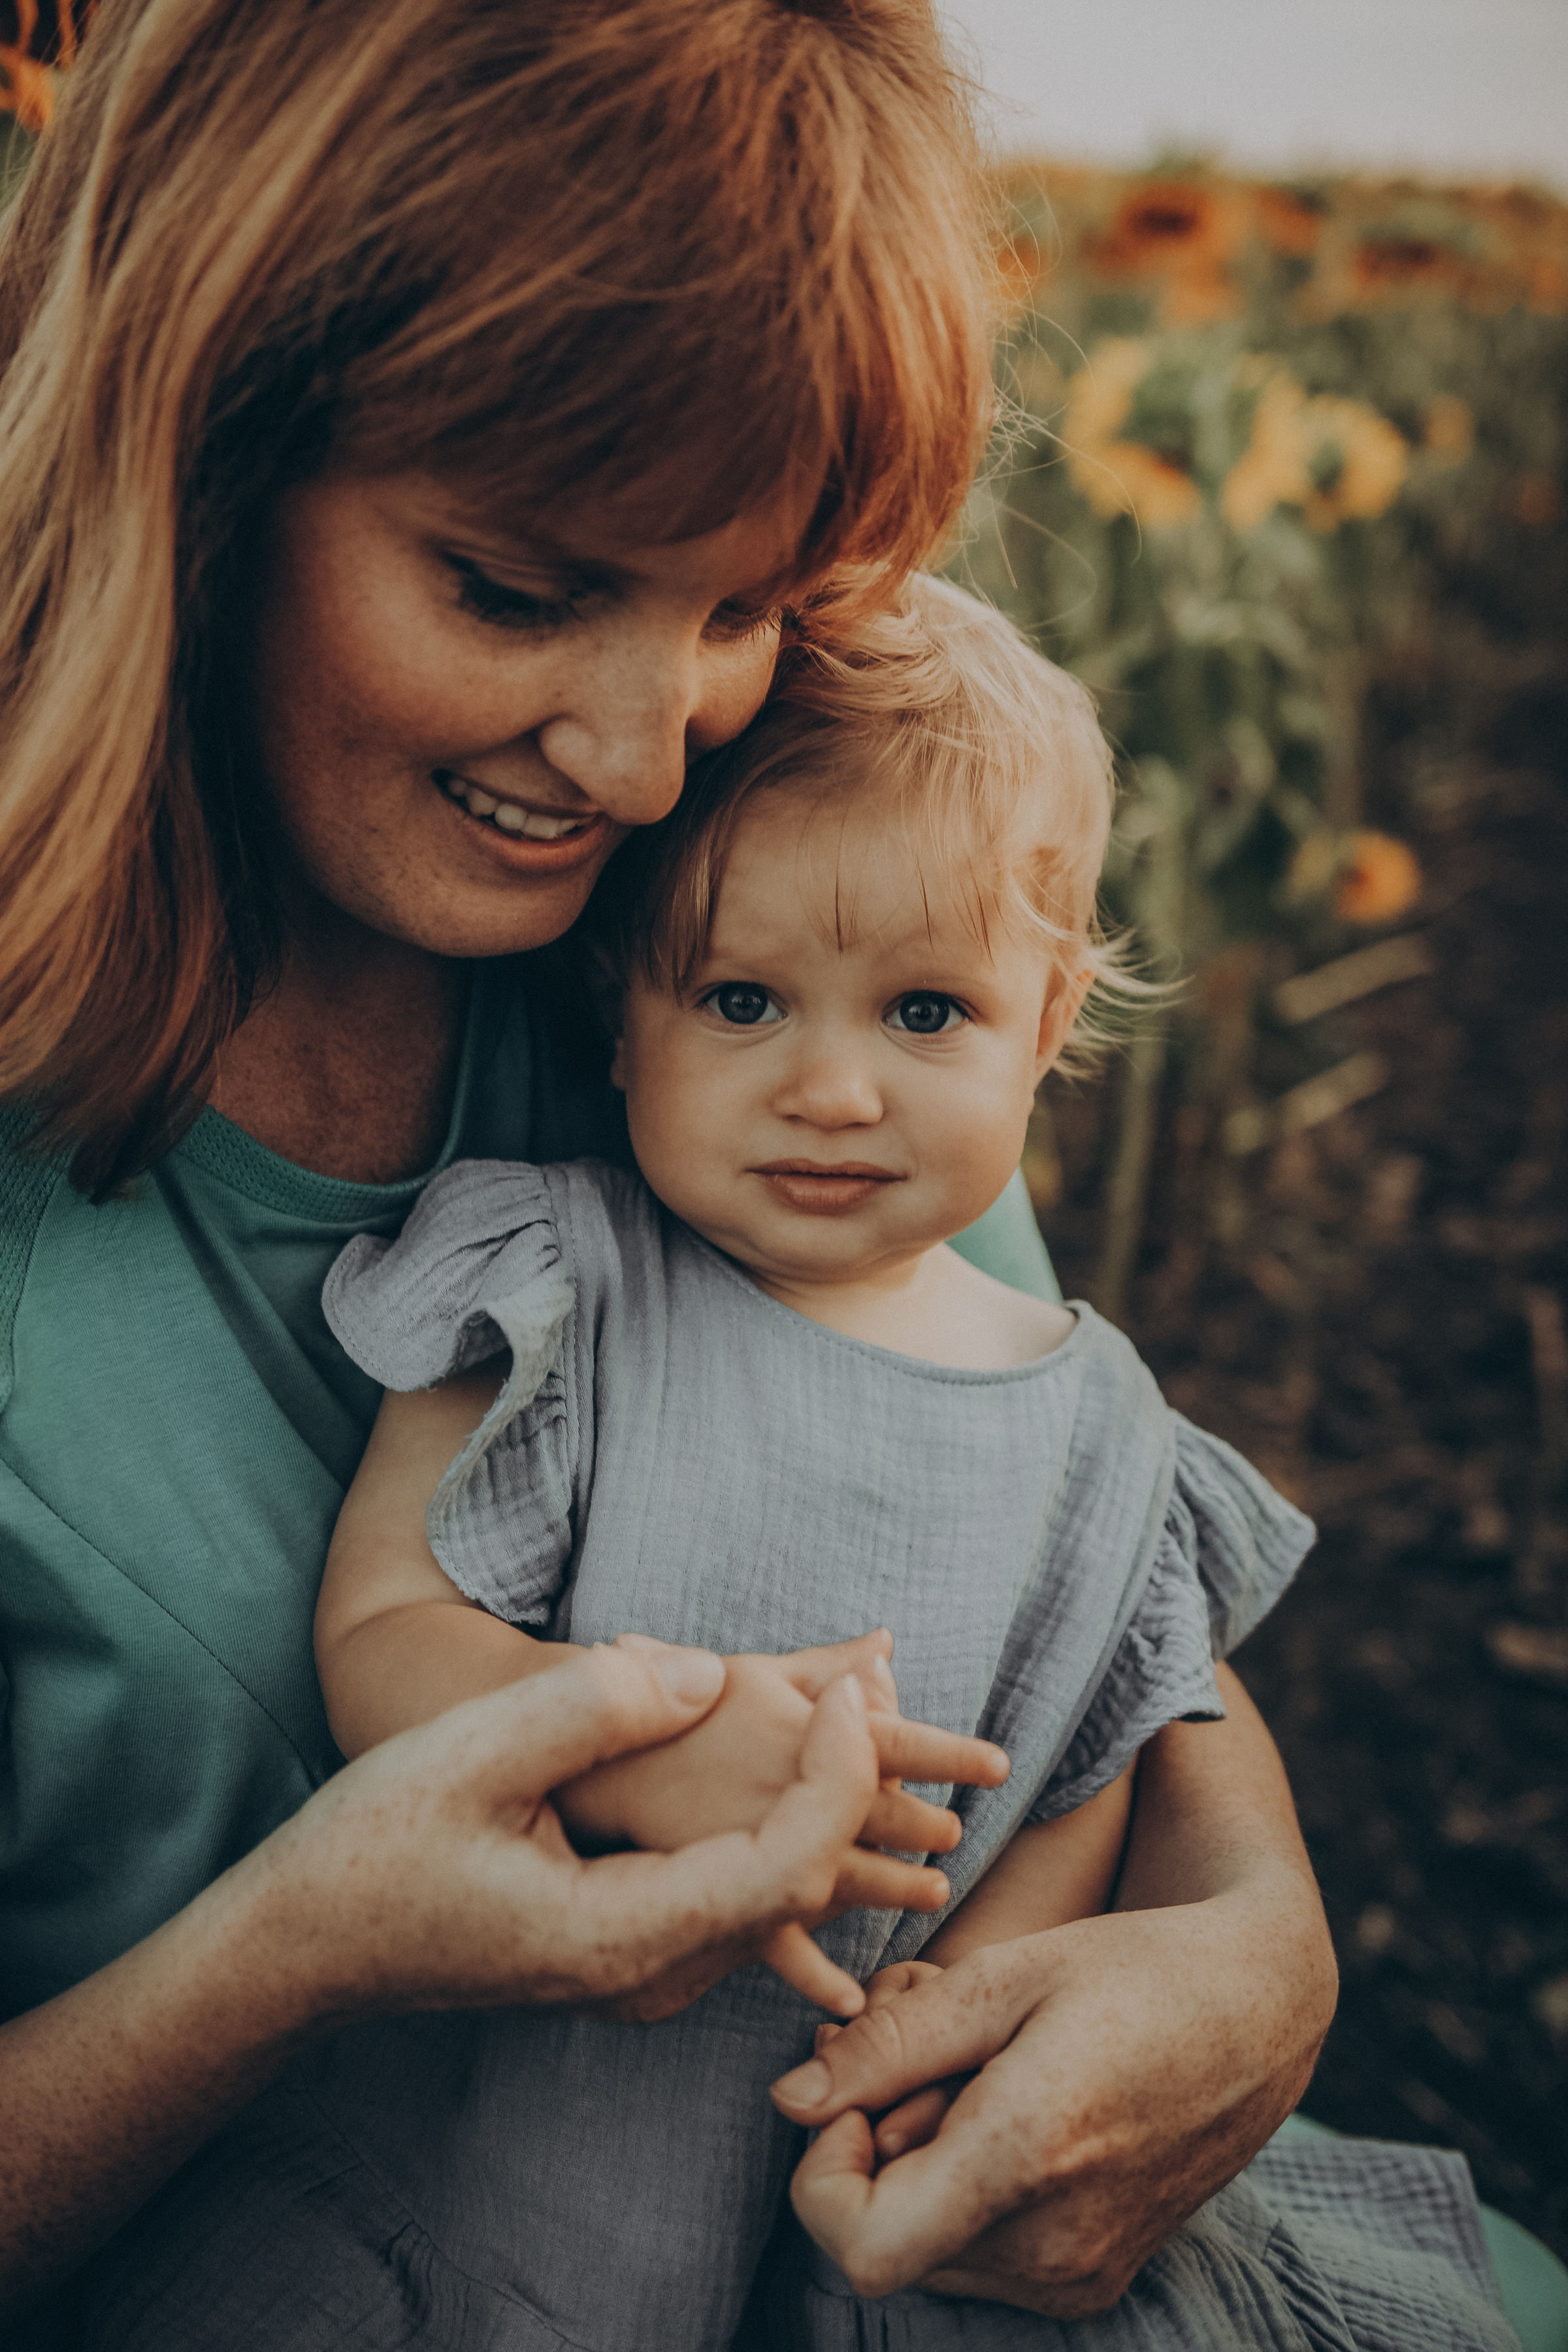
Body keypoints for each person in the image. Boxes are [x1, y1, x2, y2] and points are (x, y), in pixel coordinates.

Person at [0, 1, 1339, 2343]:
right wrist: (292, 1953)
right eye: (515, 590)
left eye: (735, 607)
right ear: (189, 465)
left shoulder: (755, 914)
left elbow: (1049, 1515)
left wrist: (1260, 1954)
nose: (640, 760)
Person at [80, 578, 1517, 2352]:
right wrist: (634, 1738)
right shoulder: (552, 1278)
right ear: (621, 1022)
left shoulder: (1106, 1433)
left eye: (925, 1016)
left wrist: (962, 2061)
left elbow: (1078, 1788)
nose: (835, 1091)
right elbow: (386, 1627)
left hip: (862, 2221)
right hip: (482, 2190)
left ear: (1049, 1023)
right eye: (746, 1001)